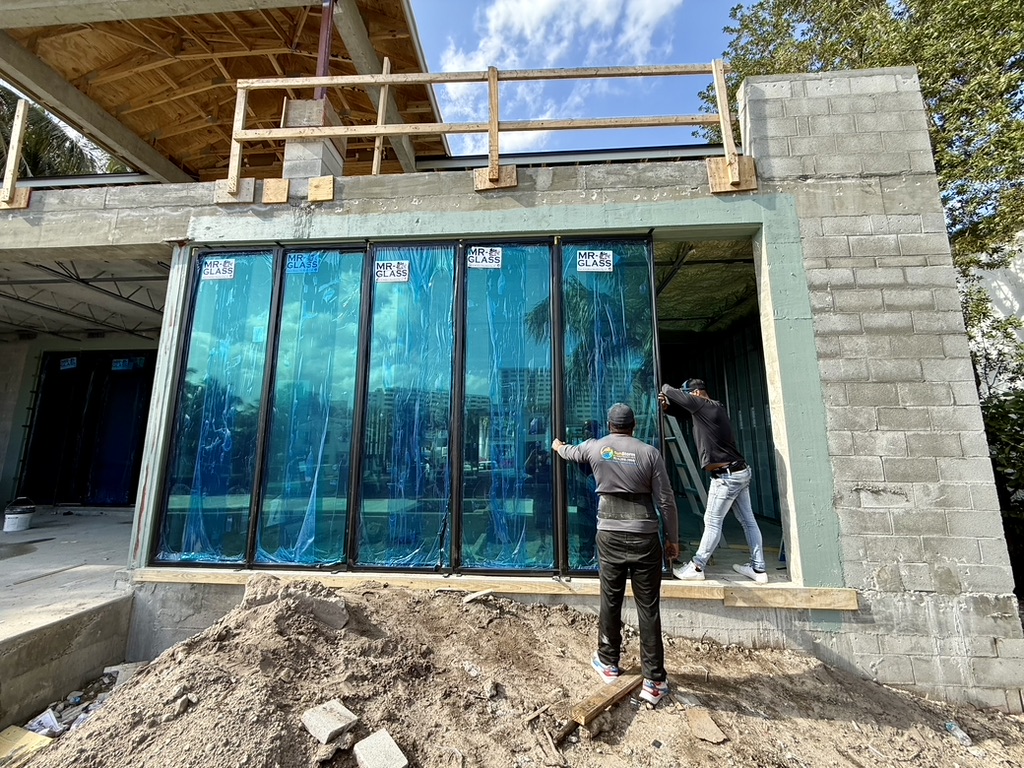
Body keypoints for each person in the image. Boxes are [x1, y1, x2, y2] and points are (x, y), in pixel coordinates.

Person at [552, 403, 680, 706]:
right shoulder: (649, 453)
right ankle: (654, 681)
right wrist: (673, 540)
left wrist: (557, 446)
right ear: (633, 426)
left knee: (610, 598)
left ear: (609, 425)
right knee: (648, 608)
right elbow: (666, 500)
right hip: (645, 537)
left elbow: (570, 452)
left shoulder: (596, 448)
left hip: (609, 535)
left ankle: (608, 663)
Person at [659, 378, 767, 584]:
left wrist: (663, 386)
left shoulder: (702, 404)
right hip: (739, 471)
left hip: (727, 477)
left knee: (712, 521)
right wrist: (667, 408)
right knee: (748, 521)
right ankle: (758, 568)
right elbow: (683, 413)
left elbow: (669, 390)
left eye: (688, 395)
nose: (687, 399)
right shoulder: (713, 407)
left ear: (697, 394)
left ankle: (697, 566)